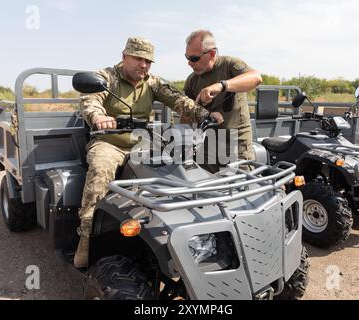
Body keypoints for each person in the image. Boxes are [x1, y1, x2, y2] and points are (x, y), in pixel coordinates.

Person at [75, 37, 223, 268]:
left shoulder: (151, 82)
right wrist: (98, 117)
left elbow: (179, 100)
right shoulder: (106, 77)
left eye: (148, 61)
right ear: (124, 56)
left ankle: (179, 232)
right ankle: (86, 238)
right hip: (109, 141)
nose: (143, 65)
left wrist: (204, 115)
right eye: (138, 59)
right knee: (100, 170)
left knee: (176, 169)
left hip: (142, 143)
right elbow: (91, 101)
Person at [181, 30, 263, 173]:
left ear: (211, 54)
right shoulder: (192, 80)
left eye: (194, 58)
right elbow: (186, 116)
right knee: (202, 185)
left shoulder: (230, 65)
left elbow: (256, 78)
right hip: (208, 144)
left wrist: (221, 86)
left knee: (241, 187)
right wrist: (183, 141)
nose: (189, 63)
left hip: (236, 144)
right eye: (187, 57)